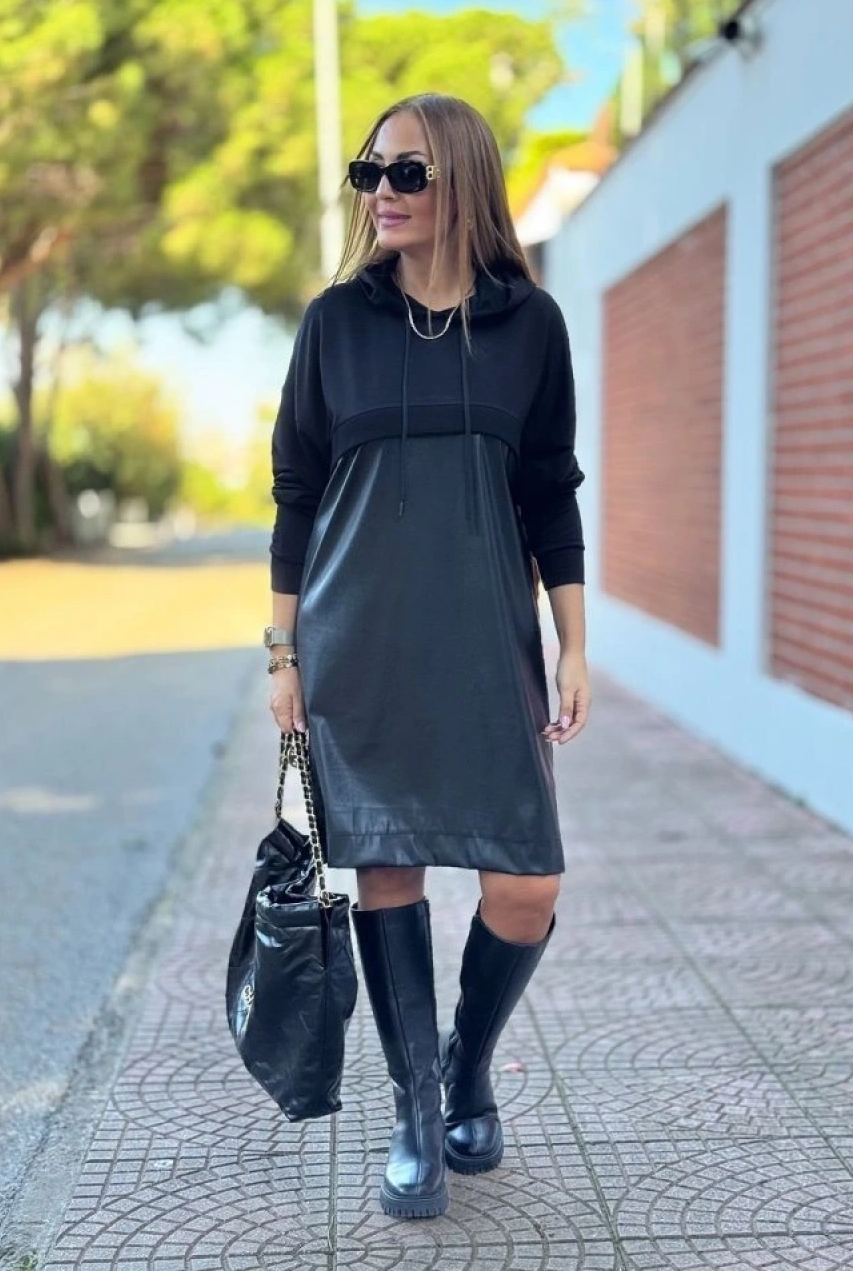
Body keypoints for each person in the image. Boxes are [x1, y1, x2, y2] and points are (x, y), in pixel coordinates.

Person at [265, 92, 591, 1220]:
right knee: (388, 868)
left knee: (527, 882)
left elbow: (551, 489)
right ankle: (416, 1107)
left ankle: (466, 1065)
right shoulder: (335, 323)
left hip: (487, 641)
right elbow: (296, 492)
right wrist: (281, 650)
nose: (383, 193)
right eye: (370, 173)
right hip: (357, 643)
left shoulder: (530, 326)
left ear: (463, 180)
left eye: (406, 172)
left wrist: (573, 641)